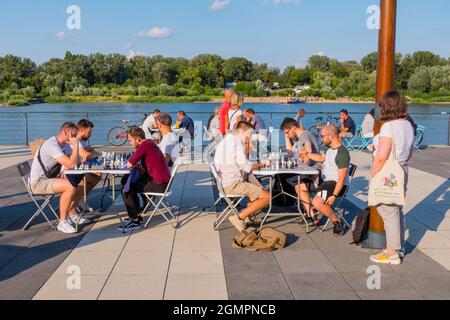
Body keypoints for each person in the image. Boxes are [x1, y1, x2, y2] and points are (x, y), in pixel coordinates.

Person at [370, 91, 414, 265]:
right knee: (396, 208)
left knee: (388, 210)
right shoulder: (407, 124)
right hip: (402, 169)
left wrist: (374, 173)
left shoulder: (388, 127)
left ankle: (392, 252)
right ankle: (398, 246)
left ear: (387, 106)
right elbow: (409, 152)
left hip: (388, 171)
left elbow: (382, 155)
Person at [214, 121, 270, 232]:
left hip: (224, 181)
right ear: (241, 132)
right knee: (267, 197)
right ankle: (239, 217)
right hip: (232, 184)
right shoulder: (237, 144)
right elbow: (247, 167)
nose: (250, 137)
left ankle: (248, 216)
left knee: (255, 185)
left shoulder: (226, 141)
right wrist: (262, 164)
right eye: (249, 134)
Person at [297, 125, 350, 236]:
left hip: (335, 184)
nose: (321, 139)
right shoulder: (331, 149)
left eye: (322, 136)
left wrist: (334, 196)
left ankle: (336, 221)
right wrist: (307, 154)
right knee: (299, 187)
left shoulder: (342, 153)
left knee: (317, 201)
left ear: (330, 137)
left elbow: (341, 179)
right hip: (325, 182)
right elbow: (321, 158)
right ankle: (311, 215)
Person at [29, 122, 80, 234]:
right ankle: (62, 222)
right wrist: (75, 146)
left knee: (77, 181)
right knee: (70, 186)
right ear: (66, 132)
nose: (75, 138)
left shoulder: (64, 145)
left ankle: (71, 214)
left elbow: (77, 161)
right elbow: (72, 164)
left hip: (48, 178)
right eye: (74, 135)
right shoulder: (51, 145)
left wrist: (65, 168)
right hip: (38, 183)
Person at [120, 127, 171, 231]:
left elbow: (130, 163)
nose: (130, 143)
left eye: (130, 140)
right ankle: (136, 216)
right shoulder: (149, 143)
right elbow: (147, 165)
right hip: (161, 181)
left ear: (138, 139)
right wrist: (139, 167)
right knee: (130, 184)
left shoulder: (144, 145)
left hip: (159, 184)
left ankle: (134, 221)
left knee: (126, 190)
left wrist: (133, 164)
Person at [66, 119, 102, 214]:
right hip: (69, 171)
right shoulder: (76, 140)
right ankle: (75, 203)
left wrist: (94, 154)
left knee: (97, 175)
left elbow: (92, 151)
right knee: (89, 176)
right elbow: (87, 155)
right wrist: (94, 154)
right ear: (82, 131)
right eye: (89, 132)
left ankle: (80, 197)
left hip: (79, 168)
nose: (90, 134)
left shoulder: (83, 140)